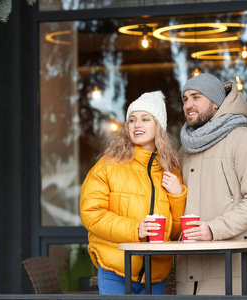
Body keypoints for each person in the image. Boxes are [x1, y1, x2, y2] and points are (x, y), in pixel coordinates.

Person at [80, 91, 187, 295]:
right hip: (116, 269)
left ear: (159, 127)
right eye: (132, 120)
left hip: (156, 274)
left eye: (145, 119)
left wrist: (177, 195)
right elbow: (91, 214)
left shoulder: (171, 171)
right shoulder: (108, 166)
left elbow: (174, 233)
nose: (137, 125)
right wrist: (135, 229)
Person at [176, 73, 247, 295]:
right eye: (185, 99)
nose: (188, 104)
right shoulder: (186, 150)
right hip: (190, 275)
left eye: (196, 97)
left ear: (216, 102)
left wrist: (213, 229)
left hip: (236, 274)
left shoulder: (244, 139)